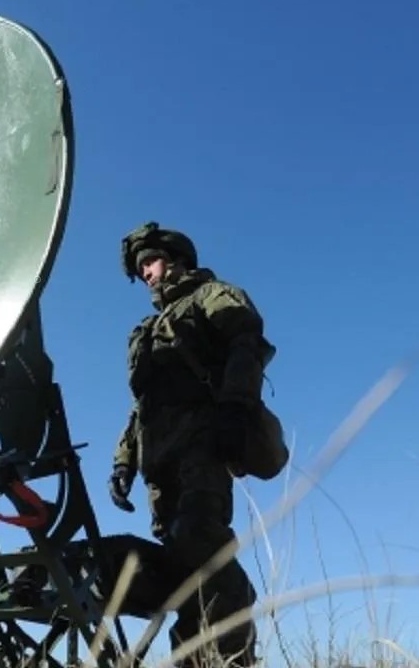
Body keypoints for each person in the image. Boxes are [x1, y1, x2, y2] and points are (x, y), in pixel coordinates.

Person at [108, 221, 284, 667]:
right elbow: (142, 406)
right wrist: (124, 461)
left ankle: (231, 654)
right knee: (181, 571)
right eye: (141, 268)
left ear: (176, 259)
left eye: (150, 262)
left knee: (200, 540)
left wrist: (237, 406)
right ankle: (195, 659)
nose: (146, 273)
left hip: (201, 443)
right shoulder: (147, 330)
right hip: (158, 463)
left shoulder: (211, 296)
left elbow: (246, 344)